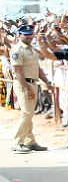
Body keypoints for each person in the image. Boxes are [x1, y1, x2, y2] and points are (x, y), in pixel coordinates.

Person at [9, 24, 48, 153]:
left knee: (29, 112)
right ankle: (17, 142)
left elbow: (38, 68)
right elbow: (18, 71)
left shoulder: (32, 49)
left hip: (33, 83)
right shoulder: (18, 49)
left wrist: (47, 81)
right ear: (19, 35)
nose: (29, 36)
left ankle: (29, 141)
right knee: (26, 113)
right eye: (26, 34)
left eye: (30, 34)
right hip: (23, 84)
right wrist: (27, 88)